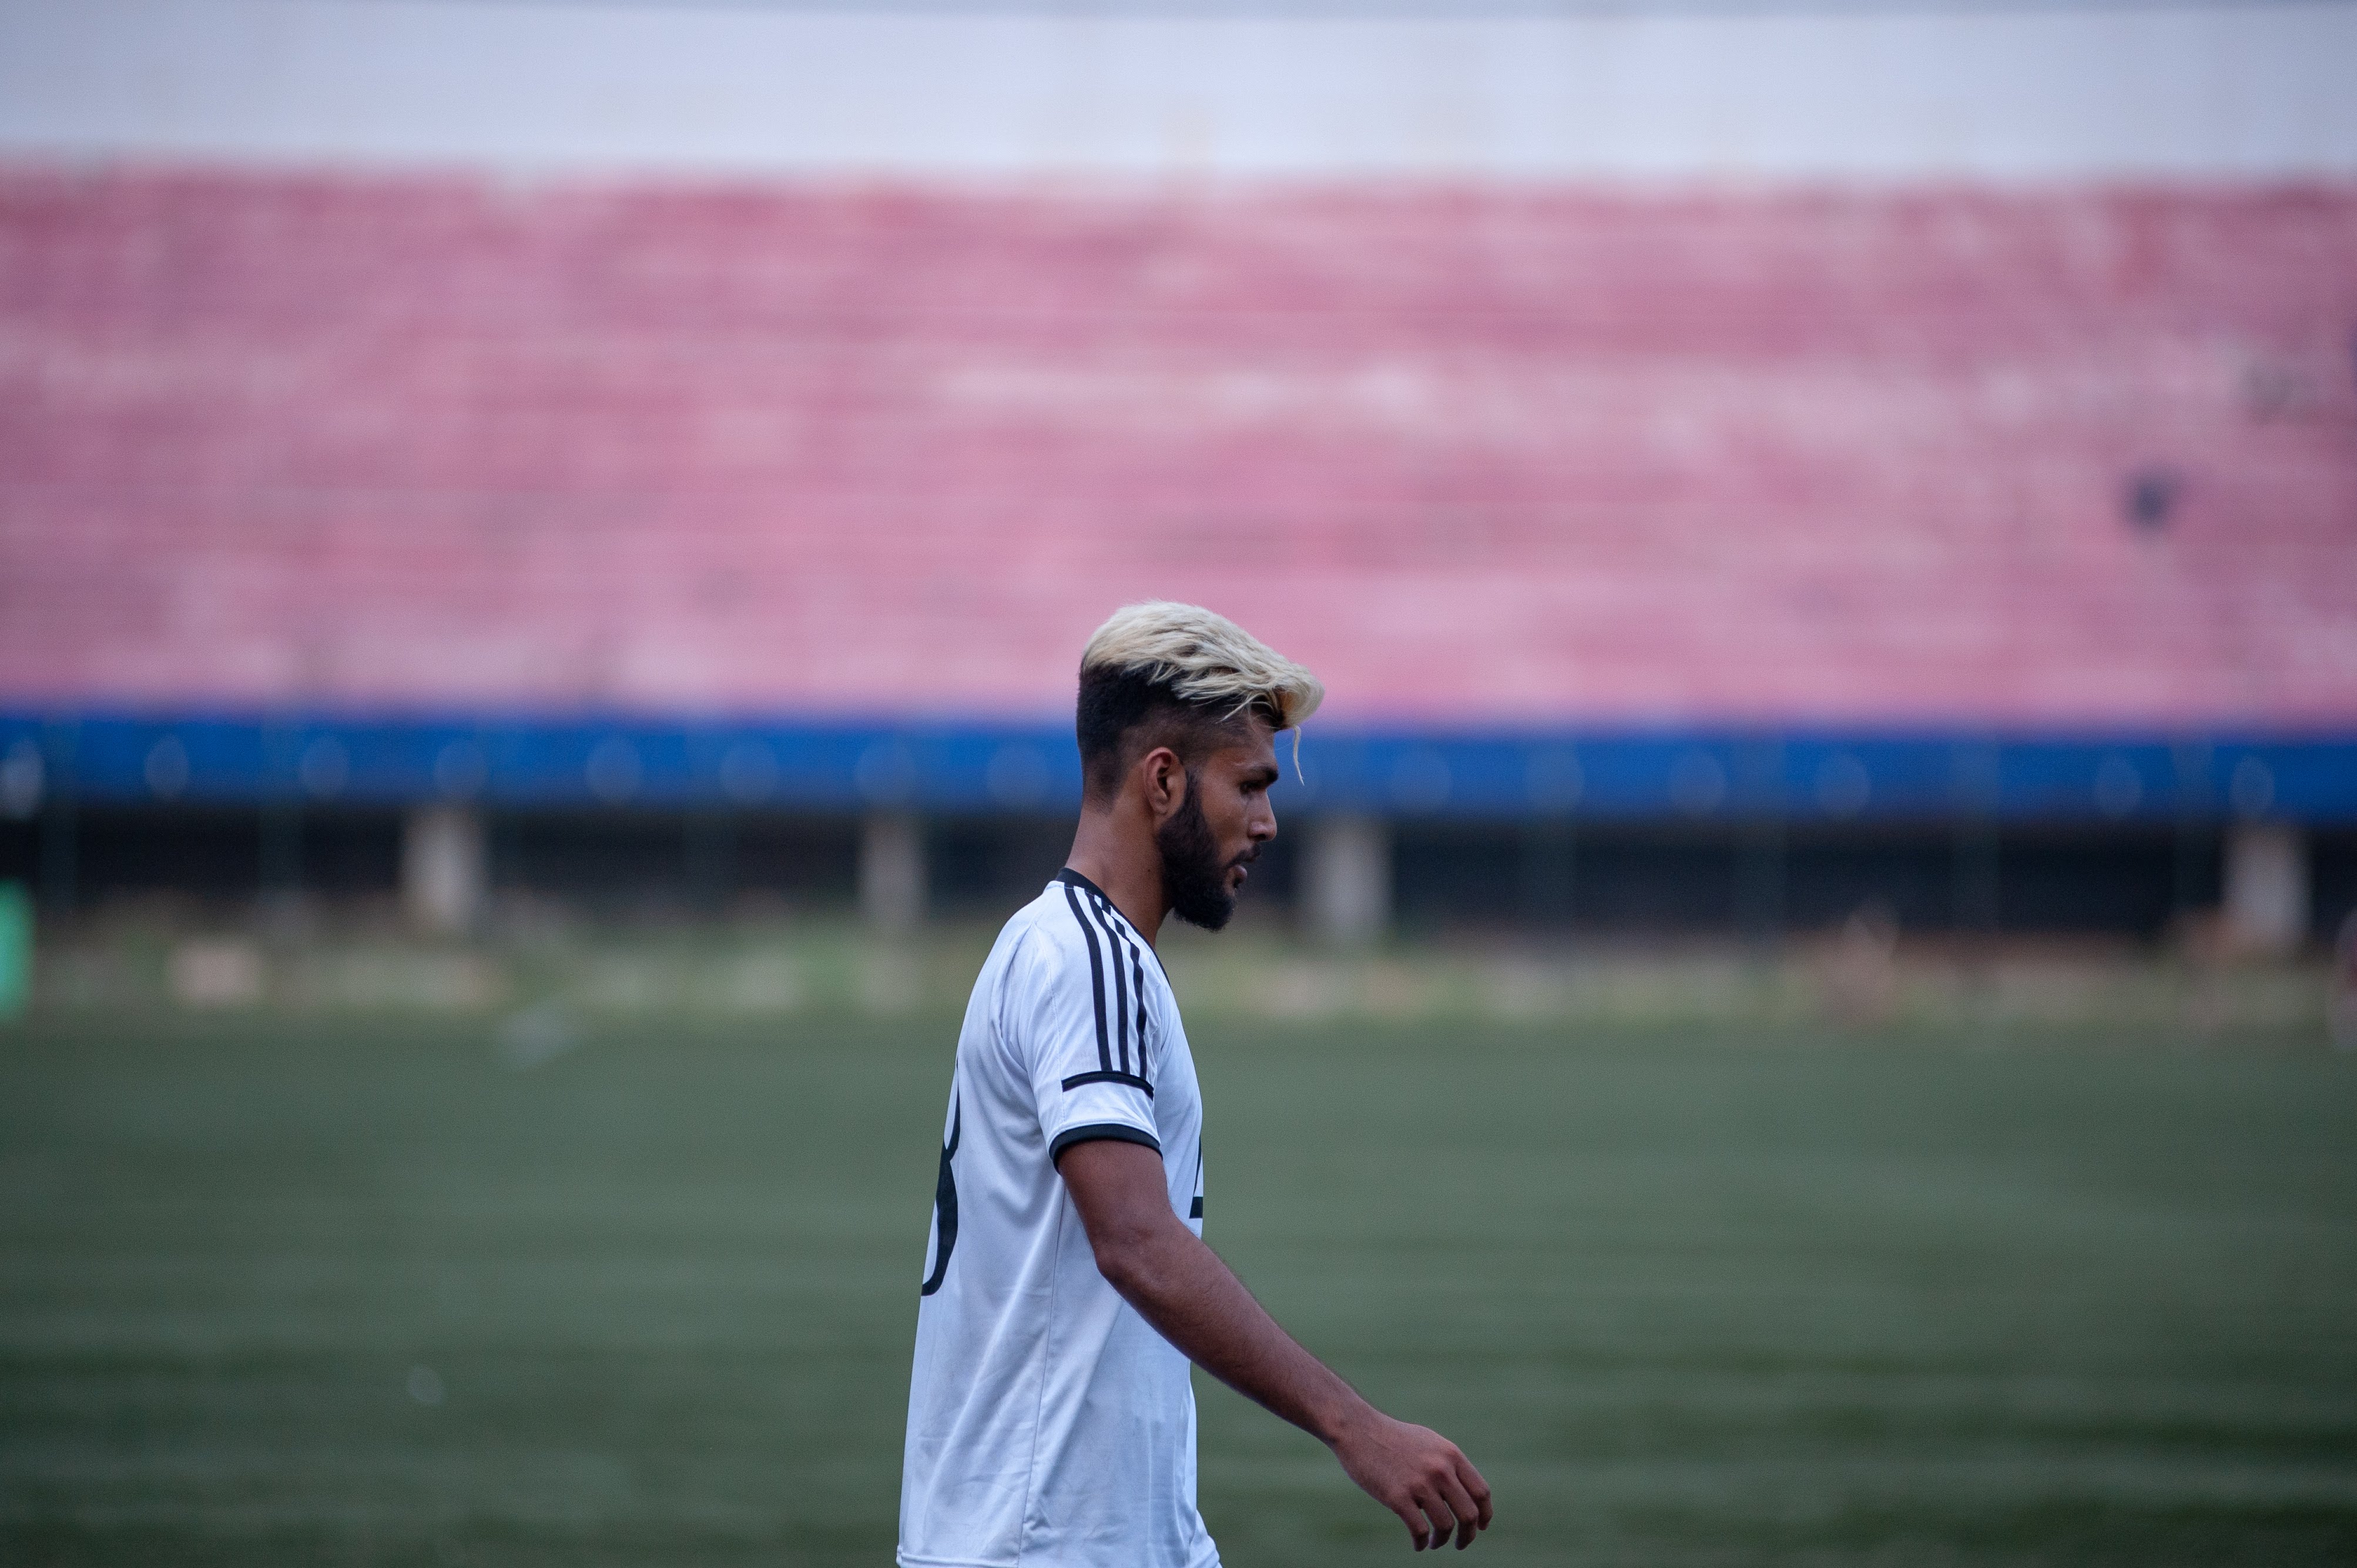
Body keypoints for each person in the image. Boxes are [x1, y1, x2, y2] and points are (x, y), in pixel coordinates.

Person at [898, 602, 1493, 1567]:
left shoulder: (1076, 949)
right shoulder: (1089, 960)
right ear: (1165, 780)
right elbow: (1135, 1239)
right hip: (1043, 1544)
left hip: (1086, 1536)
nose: (1266, 821)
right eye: (1248, 784)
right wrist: (1356, 1427)